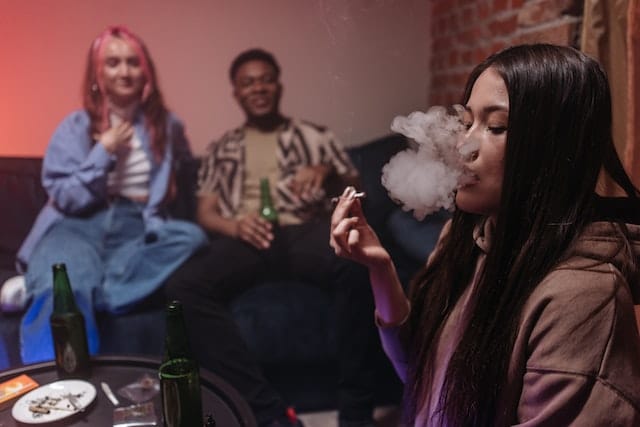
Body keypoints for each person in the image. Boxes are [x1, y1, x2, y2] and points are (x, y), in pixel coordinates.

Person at [330, 44, 640, 426]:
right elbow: (422, 381)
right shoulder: (466, 241)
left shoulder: (581, 297)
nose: (464, 145)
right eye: (466, 124)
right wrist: (380, 268)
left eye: (495, 127)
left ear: (552, 148)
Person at [164, 48, 379, 427]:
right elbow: (205, 212)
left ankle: (357, 412)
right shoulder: (221, 147)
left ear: (279, 85)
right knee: (185, 286)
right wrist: (235, 226)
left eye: (265, 79)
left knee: (357, 263)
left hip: (302, 231)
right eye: (248, 83)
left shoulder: (315, 136)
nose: (258, 88)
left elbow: (356, 187)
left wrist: (326, 170)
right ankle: (270, 414)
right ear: (236, 93)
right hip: (245, 237)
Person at [17, 25, 207, 364]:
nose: (125, 71)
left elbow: (184, 170)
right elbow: (65, 196)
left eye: (133, 62)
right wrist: (102, 151)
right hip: (79, 222)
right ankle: (52, 388)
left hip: (137, 229)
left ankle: (87, 289)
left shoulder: (167, 125)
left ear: (145, 71)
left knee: (191, 237)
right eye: (113, 62)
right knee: (65, 287)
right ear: (97, 73)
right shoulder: (74, 127)